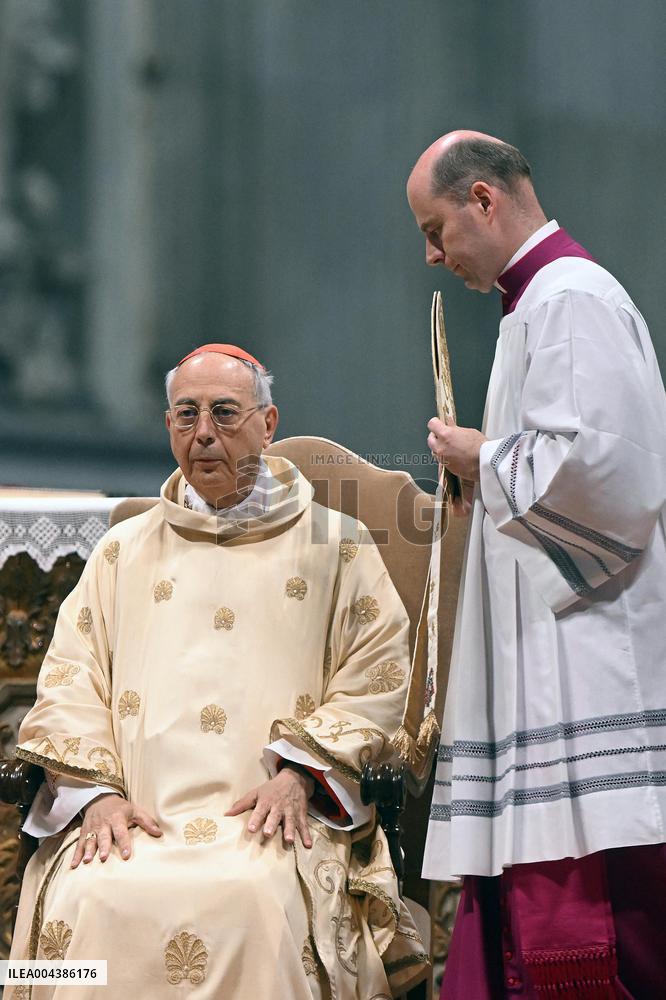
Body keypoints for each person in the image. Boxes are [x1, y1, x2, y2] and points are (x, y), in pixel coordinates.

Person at [8, 344, 427, 999]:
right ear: (168, 426)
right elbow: (70, 682)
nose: (203, 432)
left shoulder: (337, 544)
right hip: (135, 817)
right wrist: (97, 795)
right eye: (186, 414)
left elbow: (377, 679)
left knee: (253, 901)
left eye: (225, 413)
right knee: (88, 895)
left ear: (268, 424)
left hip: (274, 823)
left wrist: (300, 776)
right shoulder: (121, 551)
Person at [407, 132, 666, 998]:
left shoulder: (572, 299)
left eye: (436, 230)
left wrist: (485, 460)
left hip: (590, 658)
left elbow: (611, 475)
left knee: (603, 927)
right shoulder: (536, 305)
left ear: (483, 199)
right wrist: (485, 472)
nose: (433, 255)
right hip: (551, 652)